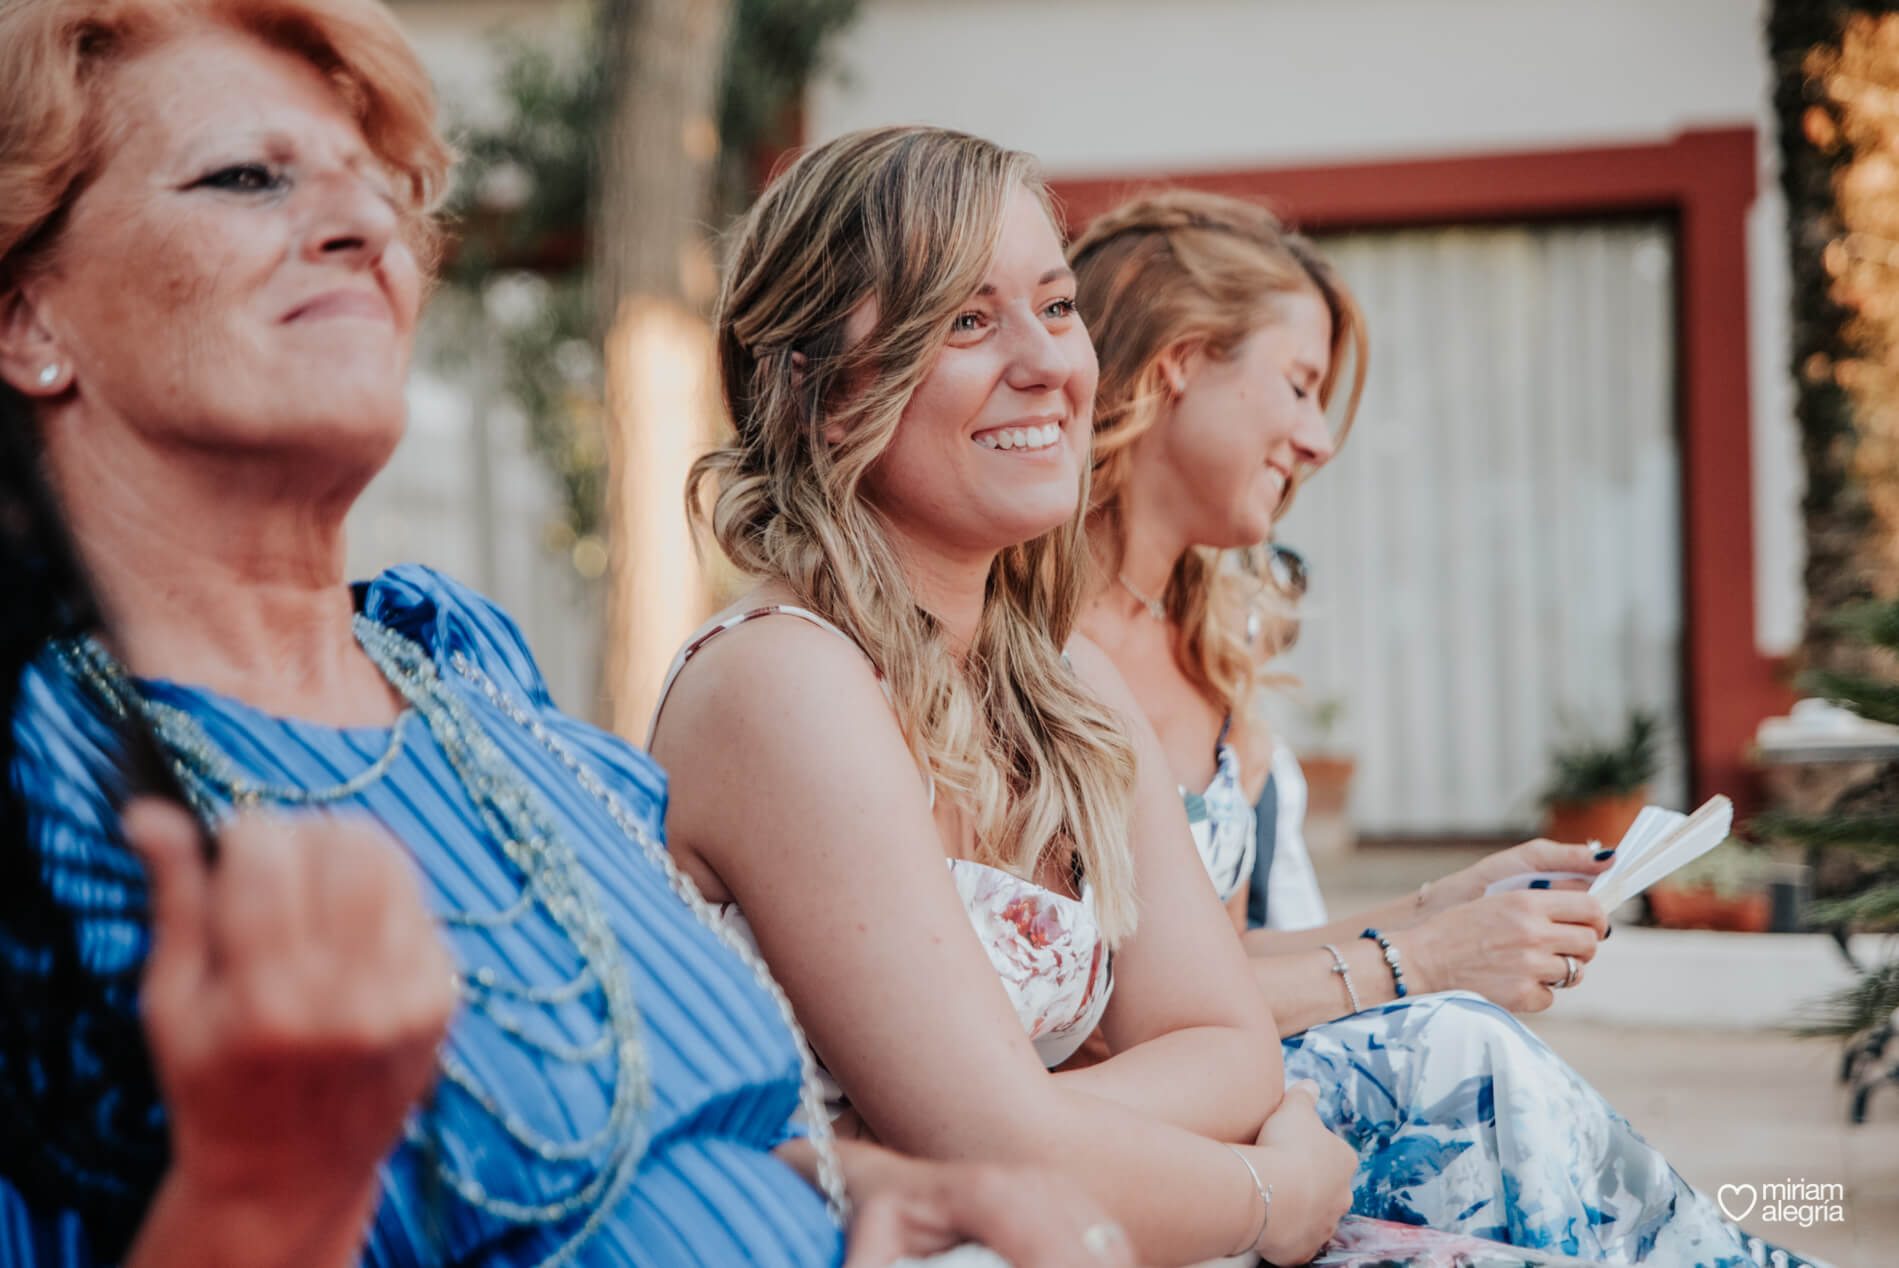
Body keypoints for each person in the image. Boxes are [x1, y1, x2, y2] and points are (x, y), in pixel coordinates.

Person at [0, 5, 1132, 1267]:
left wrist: (860, 1184)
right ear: (27, 318)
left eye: (379, 187)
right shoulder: (49, 780)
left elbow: (627, 1136)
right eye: (247, 177)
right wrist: (268, 1189)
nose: (364, 226)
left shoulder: (465, 675)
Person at [1069, 188, 1825, 1267]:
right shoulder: (1026, 652)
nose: (1320, 440)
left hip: (1244, 1093)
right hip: (1136, 1117)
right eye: (1298, 384)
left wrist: (1447, 901)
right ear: (1179, 360)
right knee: (1462, 1048)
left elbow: (1210, 962)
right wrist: (1424, 958)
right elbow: (1105, 1006)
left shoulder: (1211, 670)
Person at [647, 125, 1359, 1268]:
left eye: (1058, 306)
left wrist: (1024, 1131)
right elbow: (999, 1151)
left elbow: (1229, 1046)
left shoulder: (1065, 683)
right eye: (967, 321)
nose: (1050, 365)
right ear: (823, 390)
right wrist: (1270, 1189)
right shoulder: (782, 678)